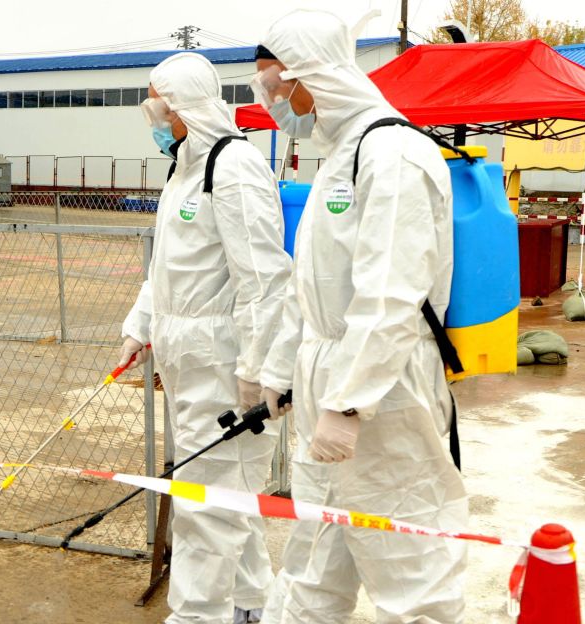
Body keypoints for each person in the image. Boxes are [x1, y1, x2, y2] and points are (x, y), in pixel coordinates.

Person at [252, 9, 468, 623]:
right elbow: (315, 292)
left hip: (385, 395)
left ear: (309, 77)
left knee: (410, 571)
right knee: (315, 560)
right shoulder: (340, 157)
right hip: (333, 384)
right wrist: (281, 374)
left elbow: (390, 297)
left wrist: (348, 404)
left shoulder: (393, 154)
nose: (273, 103)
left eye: (275, 86)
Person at [118, 52, 292, 624]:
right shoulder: (184, 170)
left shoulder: (234, 166)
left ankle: (197, 616)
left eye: (156, 106)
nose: (152, 119)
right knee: (224, 498)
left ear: (184, 106)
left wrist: (258, 369)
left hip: (225, 368)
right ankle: (249, 607)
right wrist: (139, 327)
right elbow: (168, 269)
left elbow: (265, 280)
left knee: (206, 506)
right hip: (190, 362)